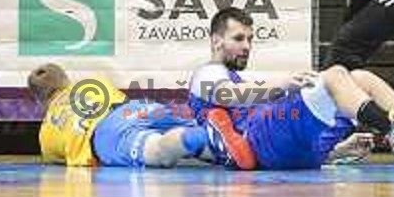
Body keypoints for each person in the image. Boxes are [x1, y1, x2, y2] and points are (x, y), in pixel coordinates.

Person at [188, 7, 394, 170]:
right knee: (335, 75)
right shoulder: (208, 74)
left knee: (359, 77)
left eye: (250, 39)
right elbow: (231, 96)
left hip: (298, 155)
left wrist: (337, 152)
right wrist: (280, 87)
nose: (247, 46)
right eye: (239, 39)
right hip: (261, 141)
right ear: (216, 41)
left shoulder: (230, 76)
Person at [28, 63, 256, 169]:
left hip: (105, 134)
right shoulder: (91, 84)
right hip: (135, 108)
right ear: (67, 81)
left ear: (39, 100)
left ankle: (200, 137)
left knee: (159, 150)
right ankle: (238, 140)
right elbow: (120, 100)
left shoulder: (45, 132)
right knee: (196, 130)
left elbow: (58, 159)